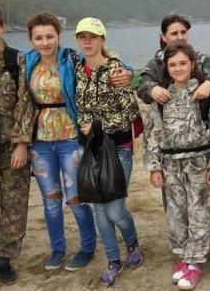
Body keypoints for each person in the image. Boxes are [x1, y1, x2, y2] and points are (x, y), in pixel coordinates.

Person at [143, 43, 210, 290]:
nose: (178, 68)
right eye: (172, 64)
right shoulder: (161, 98)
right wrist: (154, 167)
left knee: (200, 211)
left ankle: (195, 261)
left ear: (192, 64)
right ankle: (182, 256)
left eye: (183, 63)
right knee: (176, 213)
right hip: (170, 166)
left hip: (199, 164)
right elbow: (152, 134)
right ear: (166, 68)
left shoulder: (204, 95)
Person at [137, 14, 210, 234]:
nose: (179, 37)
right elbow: (142, 84)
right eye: (174, 33)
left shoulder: (198, 58)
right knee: (175, 203)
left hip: (198, 140)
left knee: (204, 200)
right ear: (163, 36)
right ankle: (182, 237)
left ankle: (206, 237)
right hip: (169, 145)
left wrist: (209, 83)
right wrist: (152, 89)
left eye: (183, 32)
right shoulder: (156, 64)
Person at [74, 17, 143, 287]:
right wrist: (85, 126)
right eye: (82, 37)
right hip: (90, 149)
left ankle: (132, 242)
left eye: (93, 36)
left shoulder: (115, 69)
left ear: (102, 39)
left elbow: (131, 112)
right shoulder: (77, 70)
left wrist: (98, 126)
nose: (87, 41)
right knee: (99, 210)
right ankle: (113, 260)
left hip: (118, 148)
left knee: (115, 211)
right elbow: (79, 107)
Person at [25, 12, 97, 271]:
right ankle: (57, 249)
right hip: (40, 141)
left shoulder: (72, 59)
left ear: (58, 36)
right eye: (39, 38)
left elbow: (104, 62)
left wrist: (127, 72)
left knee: (76, 197)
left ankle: (87, 247)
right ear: (31, 40)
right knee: (51, 199)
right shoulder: (27, 62)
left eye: (50, 36)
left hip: (70, 137)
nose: (45, 42)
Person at [0, 2, 34, 285]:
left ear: (2, 27)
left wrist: (22, 144)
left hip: (12, 148)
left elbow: (25, 104)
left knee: (14, 204)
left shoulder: (17, 61)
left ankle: (4, 258)